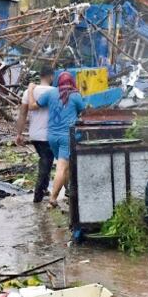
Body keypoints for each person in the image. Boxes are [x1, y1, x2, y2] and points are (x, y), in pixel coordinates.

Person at [27, 71, 86, 208]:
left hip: (52, 136)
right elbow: (83, 112)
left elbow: (32, 106)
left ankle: (70, 193)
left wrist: (30, 90)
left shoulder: (50, 93)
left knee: (65, 166)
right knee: (62, 168)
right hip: (67, 136)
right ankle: (53, 199)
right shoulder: (75, 95)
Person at [15, 66, 55, 203]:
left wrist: (19, 134)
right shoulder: (54, 92)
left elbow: (22, 114)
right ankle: (38, 195)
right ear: (51, 76)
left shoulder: (28, 92)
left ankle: (44, 190)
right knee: (46, 162)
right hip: (49, 134)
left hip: (34, 135)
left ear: (40, 76)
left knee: (46, 161)